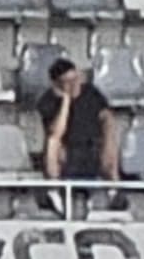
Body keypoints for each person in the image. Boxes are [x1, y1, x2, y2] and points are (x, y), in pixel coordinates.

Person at [37, 55, 120, 189]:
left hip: (91, 147)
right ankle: (54, 189)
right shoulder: (48, 100)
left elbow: (106, 116)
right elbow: (56, 132)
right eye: (68, 81)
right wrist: (66, 100)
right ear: (57, 84)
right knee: (53, 143)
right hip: (67, 150)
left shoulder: (90, 92)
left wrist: (108, 136)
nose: (74, 85)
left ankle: (114, 188)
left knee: (110, 136)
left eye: (76, 79)